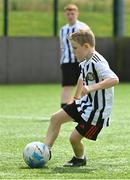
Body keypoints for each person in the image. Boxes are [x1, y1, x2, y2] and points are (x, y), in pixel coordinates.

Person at [44, 29, 119, 167]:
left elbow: (114, 79)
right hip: (84, 103)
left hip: (97, 111)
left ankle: (79, 158)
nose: (73, 52)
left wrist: (91, 88)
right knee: (55, 118)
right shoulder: (85, 60)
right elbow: (81, 78)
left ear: (86, 46)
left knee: (73, 139)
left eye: (75, 48)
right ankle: (43, 152)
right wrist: (76, 97)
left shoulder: (98, 61)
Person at [60, 4, 90, 108]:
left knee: (84, 84)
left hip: (81, 61)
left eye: (72, 13)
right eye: (68, 14)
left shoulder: (83, 27)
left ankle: (83, 108)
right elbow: (63, 46)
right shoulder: (63, 29)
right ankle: (64, 110)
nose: (70, 16)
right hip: (67, 61)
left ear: (77, 14)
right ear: (65, 15)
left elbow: (89, 44)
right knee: (67, 85)